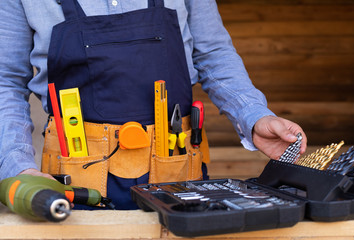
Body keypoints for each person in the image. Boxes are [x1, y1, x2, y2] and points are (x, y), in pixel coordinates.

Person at [0, 0, 307, 209]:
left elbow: (212, 53)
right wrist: (19, 166)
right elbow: (5, 81)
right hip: (74, 179)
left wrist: (253, 115)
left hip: (177, 173)